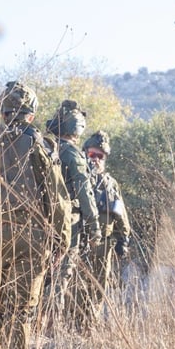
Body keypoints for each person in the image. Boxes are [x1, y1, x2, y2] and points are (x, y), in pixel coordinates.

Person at [0, 81, 72, 349]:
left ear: (3, 111)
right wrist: (62, 241)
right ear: (30, 115)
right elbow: (57, 199)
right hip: (30, 239)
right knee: (20, 310)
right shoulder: (41, 145)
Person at [67, 131, 131, 330]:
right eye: (92, 155)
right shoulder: (77, 179)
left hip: (104, 246)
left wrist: (123, 239)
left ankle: (89, 328)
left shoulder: (111, 184)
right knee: (76, 290)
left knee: (98, 290)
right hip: (80, 243)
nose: (95, 160)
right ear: (85, 153)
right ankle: (73, 328)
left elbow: (120, 213)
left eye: (100, 156)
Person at [47, 100, 102, 326]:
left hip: (40, 220)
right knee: (60, 278)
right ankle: (51, 328)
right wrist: (94, 227)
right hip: (67, 225)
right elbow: (84, 193)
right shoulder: (73, 154)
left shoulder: (43, 146)